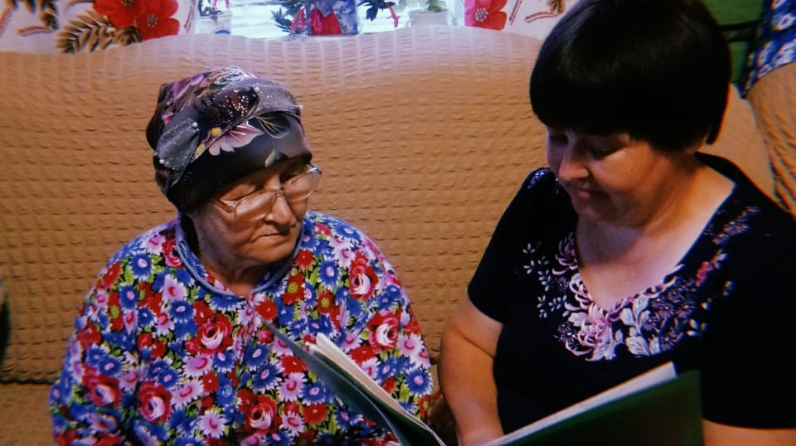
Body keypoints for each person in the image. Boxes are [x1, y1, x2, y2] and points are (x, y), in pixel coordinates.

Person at [438, 0, 796, 445]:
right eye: (557, 136)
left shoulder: (768, 268)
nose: (566, 170)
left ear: (687, 135)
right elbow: (470, 339)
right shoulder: (545, 200)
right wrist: (481, 432)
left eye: (600, 149)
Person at [48, 66, 434, 445]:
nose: (284, 215)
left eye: (292, 177)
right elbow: (84, 426)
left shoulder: (349, 262)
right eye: (250, 192)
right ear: (192, 202)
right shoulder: (132, 279)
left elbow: (399, 423)